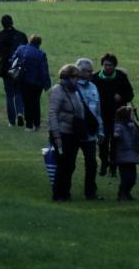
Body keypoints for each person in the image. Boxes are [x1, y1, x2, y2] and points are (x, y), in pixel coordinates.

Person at [49, 64, 99, 202]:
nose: (78, 80)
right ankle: (59, 194)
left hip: (72, 134)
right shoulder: (58, 90)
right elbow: (53, 113)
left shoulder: (73, 91)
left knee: (70, 165)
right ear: (69, 77)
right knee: (63, 165)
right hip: (62, 133)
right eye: (76, 77)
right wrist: (56, 135)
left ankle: (66, 193)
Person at [93, 54, 135, 177]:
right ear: (102, 65)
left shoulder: (121, 77)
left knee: (116, 142)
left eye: (110, 65)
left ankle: (113, 166)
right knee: (103, 142)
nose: (107, 67)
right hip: (101, 116)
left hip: (118, 117)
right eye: (105, 65)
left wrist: (122, 97)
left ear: (114, 66)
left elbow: (130, 94)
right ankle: (104, 163)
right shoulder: (95, 78)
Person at [76, 58, 105, 199]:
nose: (91, 74)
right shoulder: (72, 87)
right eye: (89, 71)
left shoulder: (93, 87)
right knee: (68, 164)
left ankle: (90, 192)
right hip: (73, 132)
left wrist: (101, 131)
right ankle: (63, 192)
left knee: (92, 164)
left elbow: (98, 113)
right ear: (80, 72)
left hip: (90, 133)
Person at [0, 15, 29, 127]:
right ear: (12, 22)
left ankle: (11, 121)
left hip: (6, 68)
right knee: (19, 92)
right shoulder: (21, 35)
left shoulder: (1, 36)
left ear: (2, 24)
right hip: (18, 68)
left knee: (9, 94)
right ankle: (20, 112)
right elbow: (26, 50)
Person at [12, 35, 51, 132]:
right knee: (35, 102)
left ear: (30, 40)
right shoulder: (41, 54)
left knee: (27, 103)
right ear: (39, 43)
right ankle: (37, 124)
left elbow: (13, 60)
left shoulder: (21, 49)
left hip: (23, 80)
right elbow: (44, 70)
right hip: (37, 83)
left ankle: (29, 125)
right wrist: (47, 84)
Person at [112, 105, 139, 200]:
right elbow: (116, 134)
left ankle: (127, 192)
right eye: (131, 114)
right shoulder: (119, 126)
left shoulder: (133, 128)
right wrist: (115, 135)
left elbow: (137, 143)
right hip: (123, 158)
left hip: (132, 157)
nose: (133, 116)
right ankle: (122, 194)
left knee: (132, 179)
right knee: (126, 178)